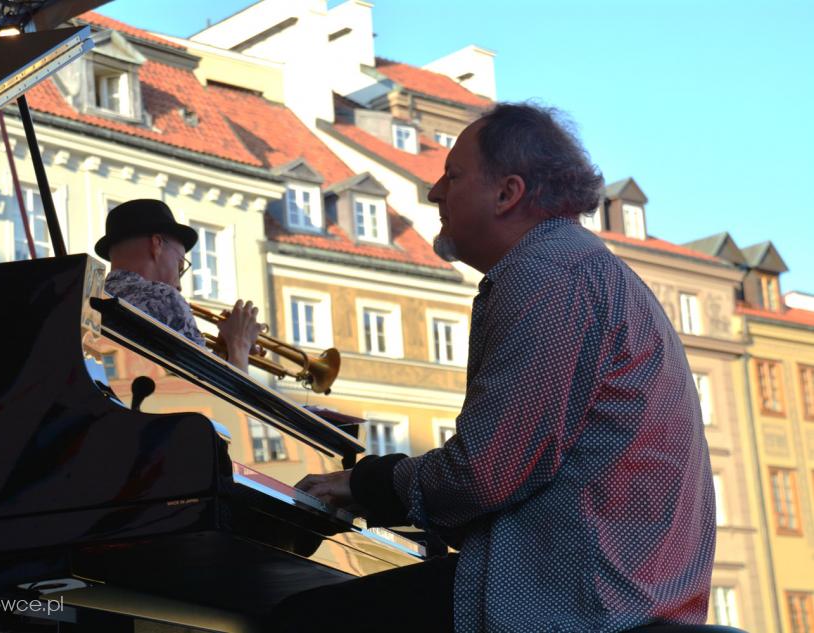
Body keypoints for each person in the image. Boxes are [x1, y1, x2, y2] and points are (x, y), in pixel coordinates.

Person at [274, 103, 716, 633]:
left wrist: (365, 484)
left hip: (569, 602)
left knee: (296, 619)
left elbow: (482, 474)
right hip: (617, 590)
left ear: (508, 194)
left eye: (453, 176)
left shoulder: (546, 275)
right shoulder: (582, 266)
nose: (435, 192)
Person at [94, 198, 262, 372]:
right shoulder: (163, 297)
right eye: (179, 267)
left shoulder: (93, 299)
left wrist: (223, 353)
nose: (179, 286)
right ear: (157, 244)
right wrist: (240, 343)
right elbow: (211, 389)